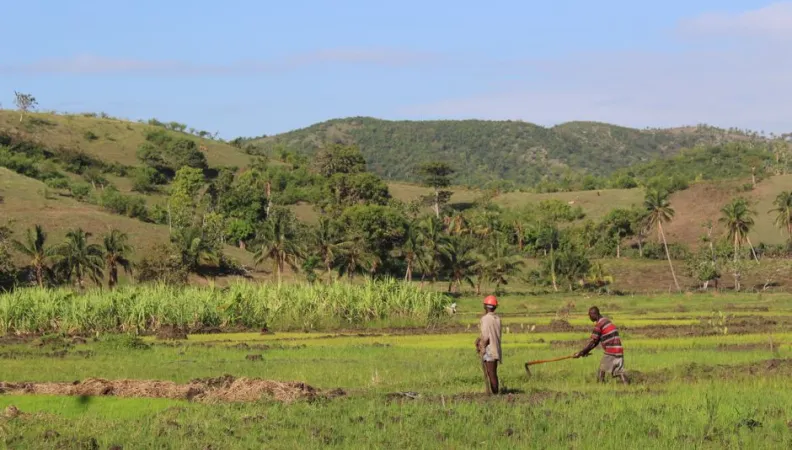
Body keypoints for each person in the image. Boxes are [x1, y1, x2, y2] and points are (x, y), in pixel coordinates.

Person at [574, 306, 629, 385]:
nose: (589, 317)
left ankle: (600, 387)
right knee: (619, 372)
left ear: (594, 314)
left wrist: (581, 352)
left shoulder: (599, 325)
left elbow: (593, 342)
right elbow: (596, 342)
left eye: (589, 315)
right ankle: (627, 387)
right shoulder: (606, 321)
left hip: (611, 351)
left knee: (601, 370)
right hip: (618, 350)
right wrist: (584, 352)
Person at [475, 295, 502, 394]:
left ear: (485, 306)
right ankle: (495, 393)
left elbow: (486, 337)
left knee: (491, 373)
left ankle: (495, 394)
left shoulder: (485, 319)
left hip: (489, 349)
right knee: (493, 372)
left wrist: (481, 346)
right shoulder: (497, 319)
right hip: (496, 349)